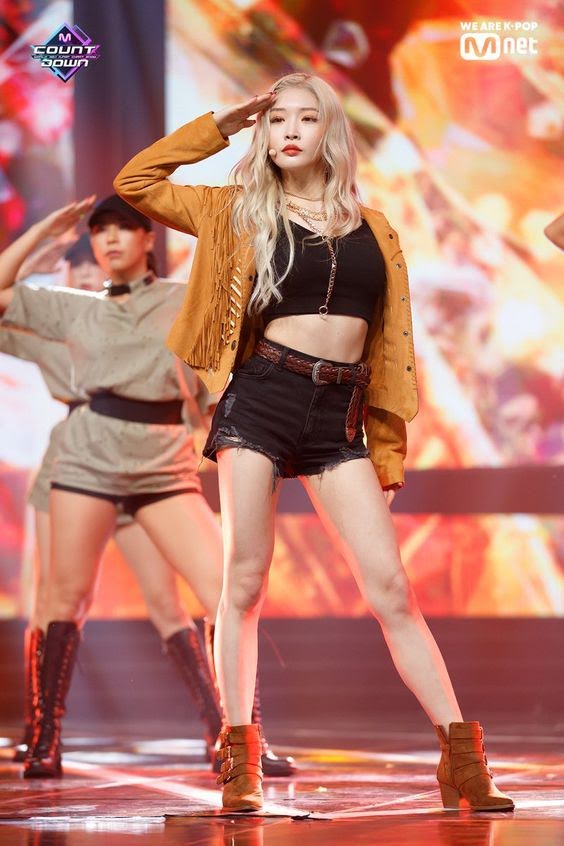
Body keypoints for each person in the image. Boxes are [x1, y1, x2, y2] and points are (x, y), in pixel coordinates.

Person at [114, 72, 515, 813]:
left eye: (305, 118)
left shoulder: (376, 228)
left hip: (340, 417)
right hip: (262, 397)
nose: (290, 131)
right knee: (244, 582)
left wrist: (382, 437)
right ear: (264, 134)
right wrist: (226, 122)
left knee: (391, 589)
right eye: (278, 121)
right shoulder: (235, 210)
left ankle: (462, 758)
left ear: (330, 130)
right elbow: (135, 182)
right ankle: (241, 763)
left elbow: (390, 347)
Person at [0, 196, 295, 779]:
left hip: (162, 463)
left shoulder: (184, 298)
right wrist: (42, 232)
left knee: (224, 591)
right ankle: (46, 739)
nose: (110, 239)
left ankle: (242, 738)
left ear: (147, 239)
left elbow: (227, 350)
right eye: (100, 231)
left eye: (123, 229)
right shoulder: (73, 307)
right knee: (65, 597)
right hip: (87, 458)